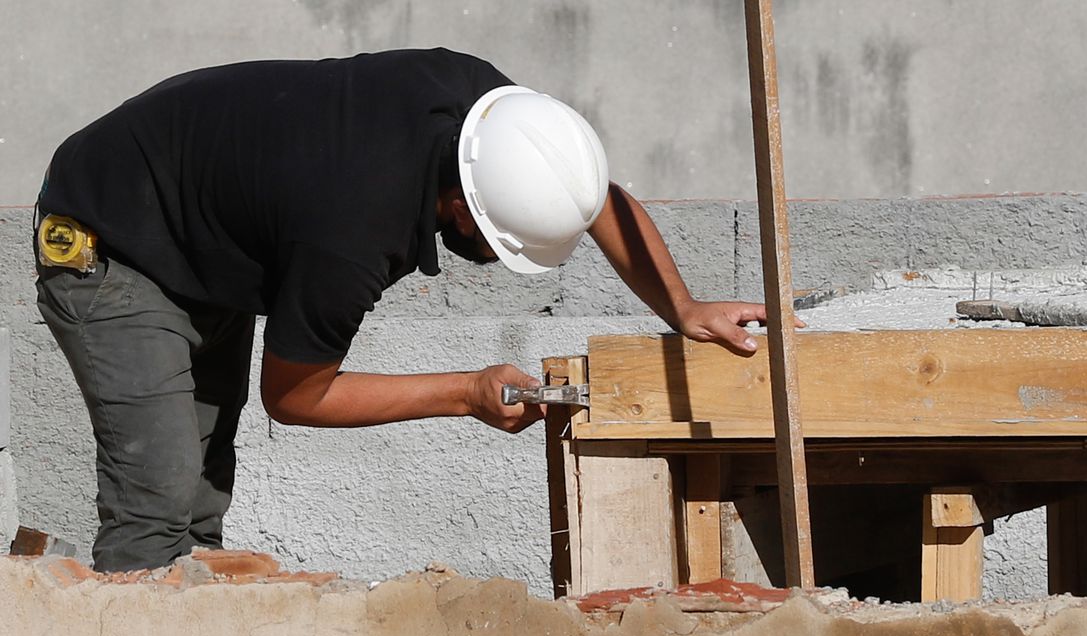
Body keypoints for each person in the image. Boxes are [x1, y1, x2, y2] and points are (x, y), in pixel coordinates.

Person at [35, 47, 779, 573]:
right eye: (500, 244)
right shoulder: (352, 234)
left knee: (198, 503)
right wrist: (465, 393)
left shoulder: (488, 115)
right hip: (112, 238)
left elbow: (589, 195)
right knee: (159, 502)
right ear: (460, 206)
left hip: (202, 223)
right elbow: (295, 397)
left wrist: (683, 307)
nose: (500, 261)